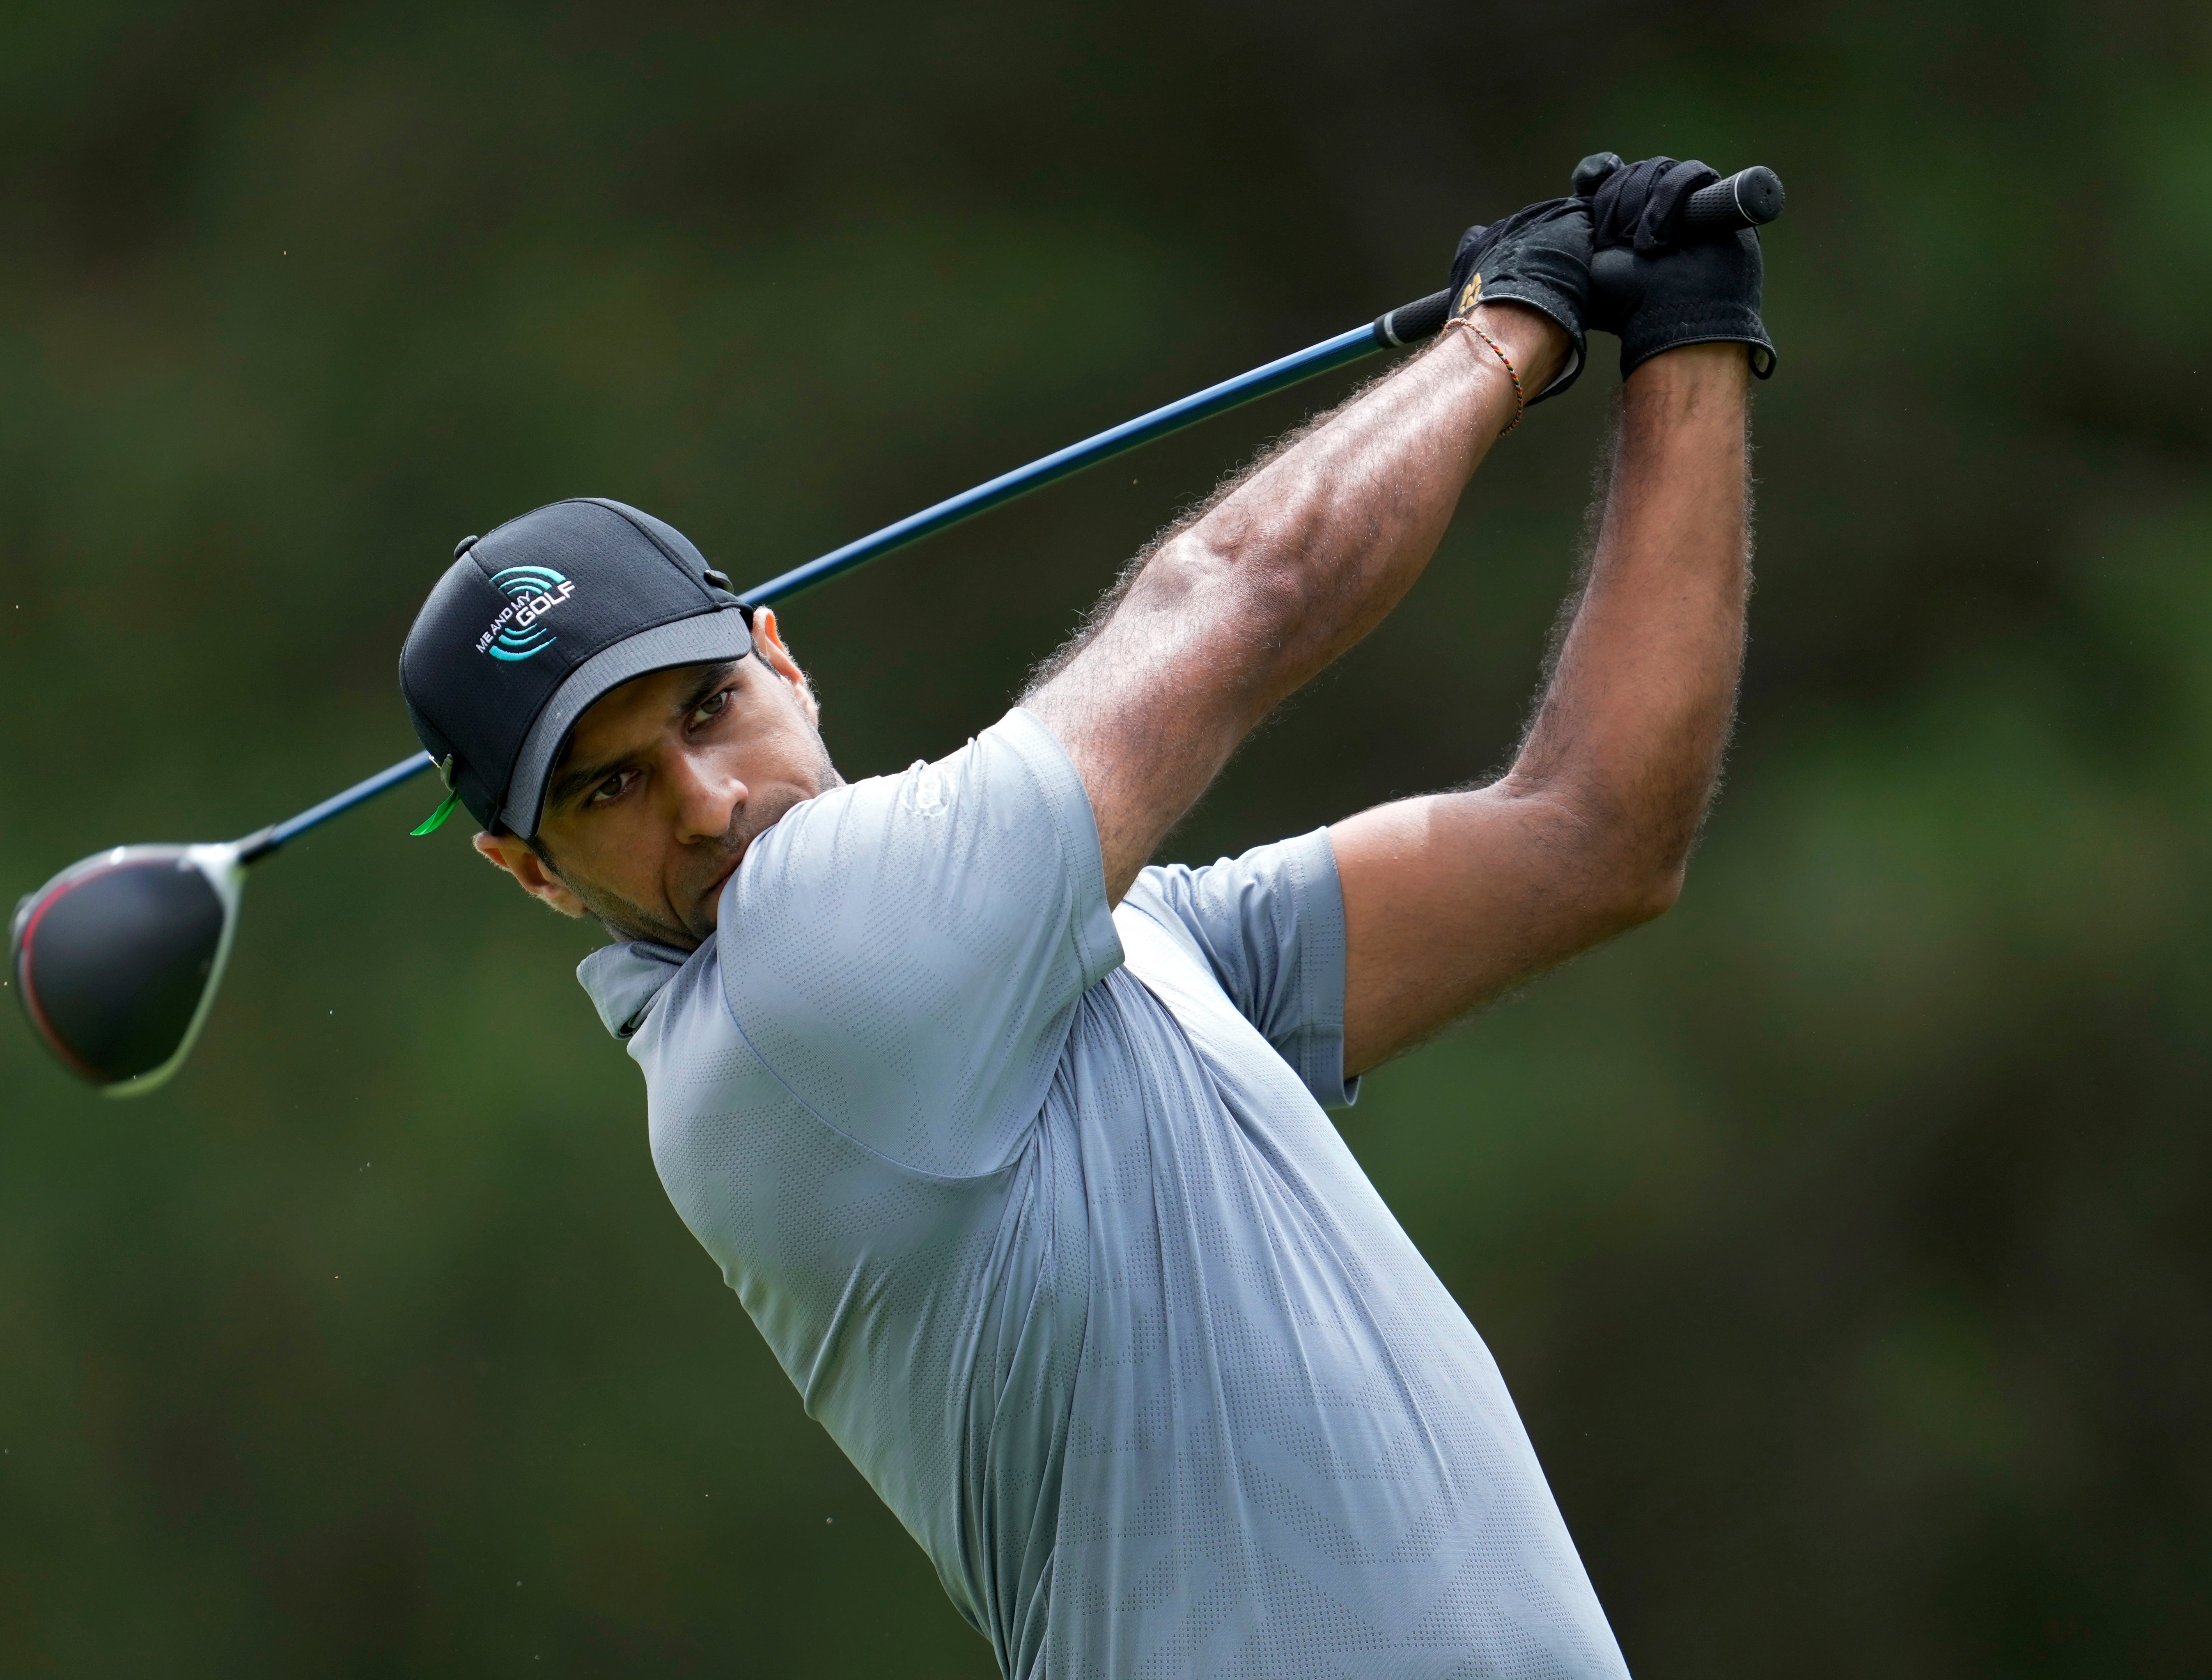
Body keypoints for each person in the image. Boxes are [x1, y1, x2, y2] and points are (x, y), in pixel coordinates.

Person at [396, 155, 1772, 1678]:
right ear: (526, 873)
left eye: (713, 706)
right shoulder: (798, 973)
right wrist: (1510, 328)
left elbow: (1592, 839)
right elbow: (1241, 596)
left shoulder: (1111, 951)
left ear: (781, 661)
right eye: (608, 791)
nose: (708, 804)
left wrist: (1688, 349)